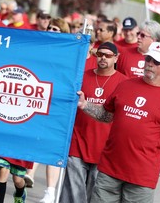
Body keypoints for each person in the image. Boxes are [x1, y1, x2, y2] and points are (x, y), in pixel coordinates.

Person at [77, 42, 160, 202]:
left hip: (141, 177)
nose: (149, 64)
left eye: (156, 62)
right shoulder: (126, 84)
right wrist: (85, 105)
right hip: (110, 169)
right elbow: (106, 115)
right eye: (148, 58)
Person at [59, 42, 127, 203]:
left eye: (108, 55)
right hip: (78, 142)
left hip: (105, 148)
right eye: (100, 54)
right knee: (73, 194)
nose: (103, 57)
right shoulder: (82, 76)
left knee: (95, 195)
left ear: (116, 58)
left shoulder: (124, 83)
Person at [23, 18, 70, 203]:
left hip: (57, 104)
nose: (51, 30)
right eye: (50, 27)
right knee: (35, 140)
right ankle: (30, 174)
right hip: (38, 99)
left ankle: (50, 191)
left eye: (56, 28)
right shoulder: (40, 46)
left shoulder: (68, 52)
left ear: (63, 32)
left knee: (53, 147)